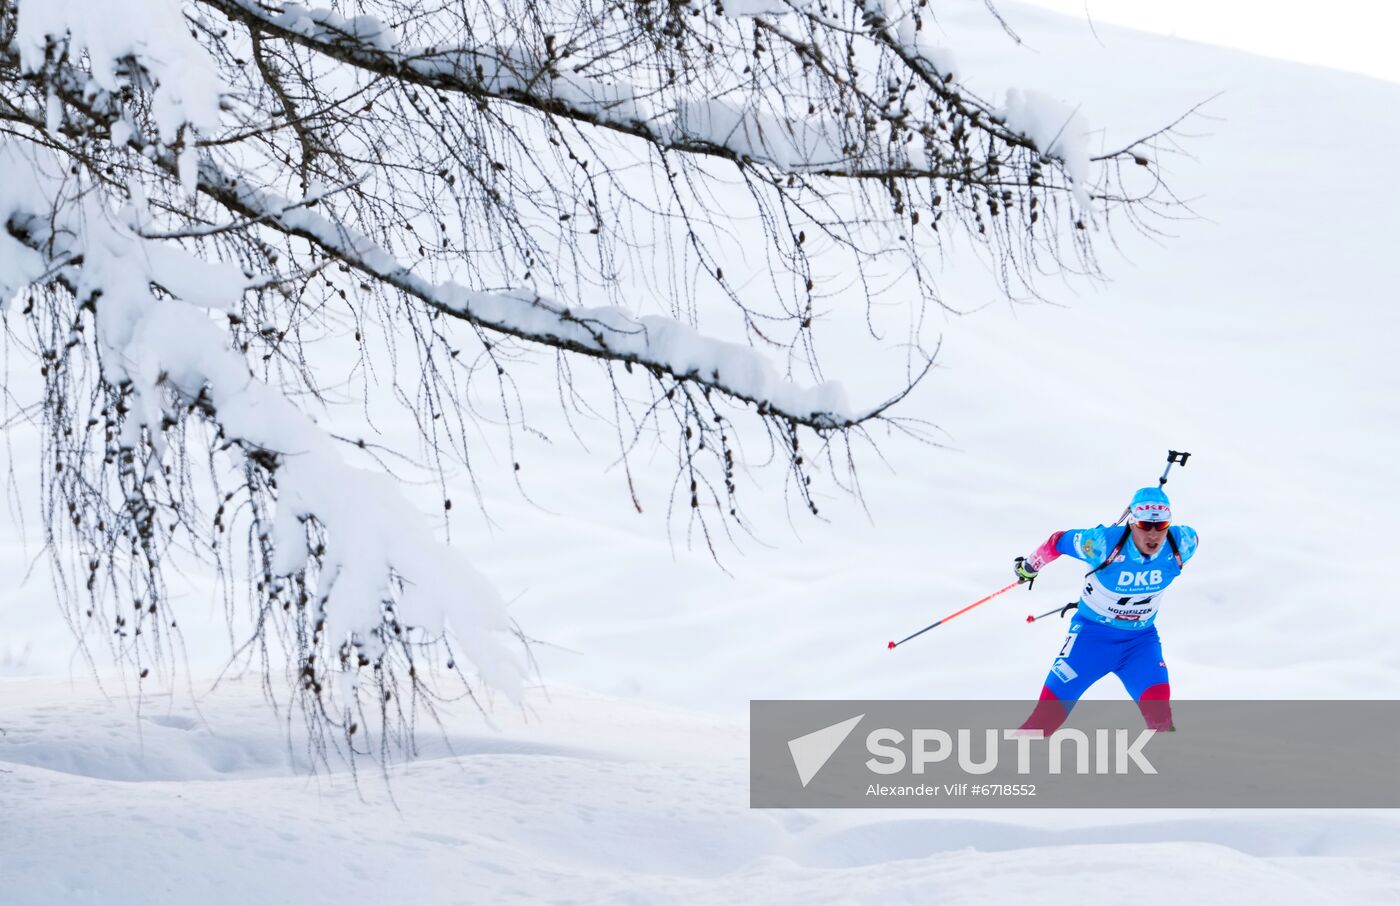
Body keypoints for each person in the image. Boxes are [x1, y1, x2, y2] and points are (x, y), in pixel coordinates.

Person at [1013, 487, 1198, 733]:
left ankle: (1176, 769)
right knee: (1044, 721)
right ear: (1132, 522)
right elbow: (1058, 541)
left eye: (1161, 525)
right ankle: (1002, 764)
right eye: (1145, 525)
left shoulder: (1183, 543)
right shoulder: (1101, 543)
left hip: (1140, 643)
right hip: (1091, 640)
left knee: (1161, 721)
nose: (1153, 534)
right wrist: (1029, 567)